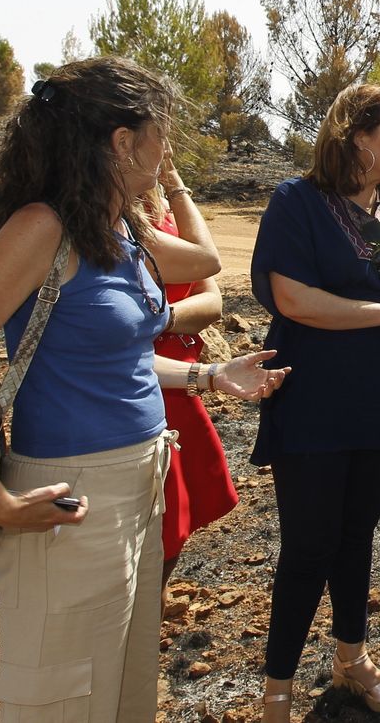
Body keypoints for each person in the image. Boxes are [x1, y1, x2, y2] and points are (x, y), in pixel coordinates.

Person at [0, 56, 288, 723]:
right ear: (123, 141)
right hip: (70, 495)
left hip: (140, 483)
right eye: (160, 134)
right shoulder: (40, 229)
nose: (167, 154)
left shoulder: (120, 232)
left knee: (123, 690)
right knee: (62, 695)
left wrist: (210, 376)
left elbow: (125, 359)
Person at [249, 82, 380, 720]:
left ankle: (351, 658)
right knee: (308, 544)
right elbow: (291, 297)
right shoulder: (297, 203)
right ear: (359, 137)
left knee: (357, 534)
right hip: (315, 402)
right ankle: (278, 689)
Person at [147, 163, 239, 610]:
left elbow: (213, 296)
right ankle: (145, 598)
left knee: (184, 488)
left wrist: (159, 319)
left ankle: (155, 593)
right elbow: (204, 267)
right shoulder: (114, 223)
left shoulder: (166, 209)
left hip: (177, 371)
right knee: (162, 495)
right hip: (144, 378)